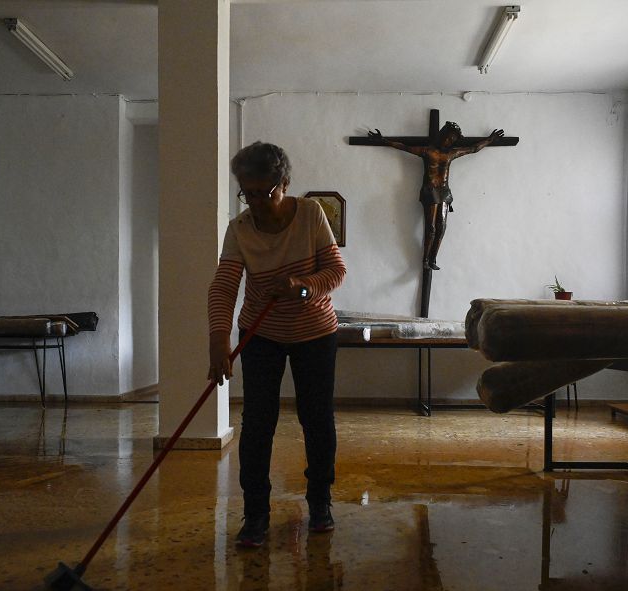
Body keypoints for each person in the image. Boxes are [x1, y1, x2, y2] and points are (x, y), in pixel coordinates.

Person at [208, 141, 347, 548]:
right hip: (261, 334)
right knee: (258, 423)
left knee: (316, 418)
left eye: (262, 192)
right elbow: (224, 286)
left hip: (315, 332)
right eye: (245, 193)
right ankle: (255, 514)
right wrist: (218, 338)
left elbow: (335, 270)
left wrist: (303, 287)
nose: (254, 202)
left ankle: (320, 502)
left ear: (284, 183)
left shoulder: (310, 214)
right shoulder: (240, 229)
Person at [368, 123, 504, 270]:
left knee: (442, 227)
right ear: (442, 135)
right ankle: (425, 259)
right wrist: (383, 140)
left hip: (444, 192)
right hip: (430, 191)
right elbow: (404, 147)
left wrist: (490, 139)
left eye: (453, 139)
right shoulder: (428, 151)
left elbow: (473, 149)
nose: (449, 141)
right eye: (448, 137)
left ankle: (433, 258)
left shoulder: (451, 153)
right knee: (431, 228)